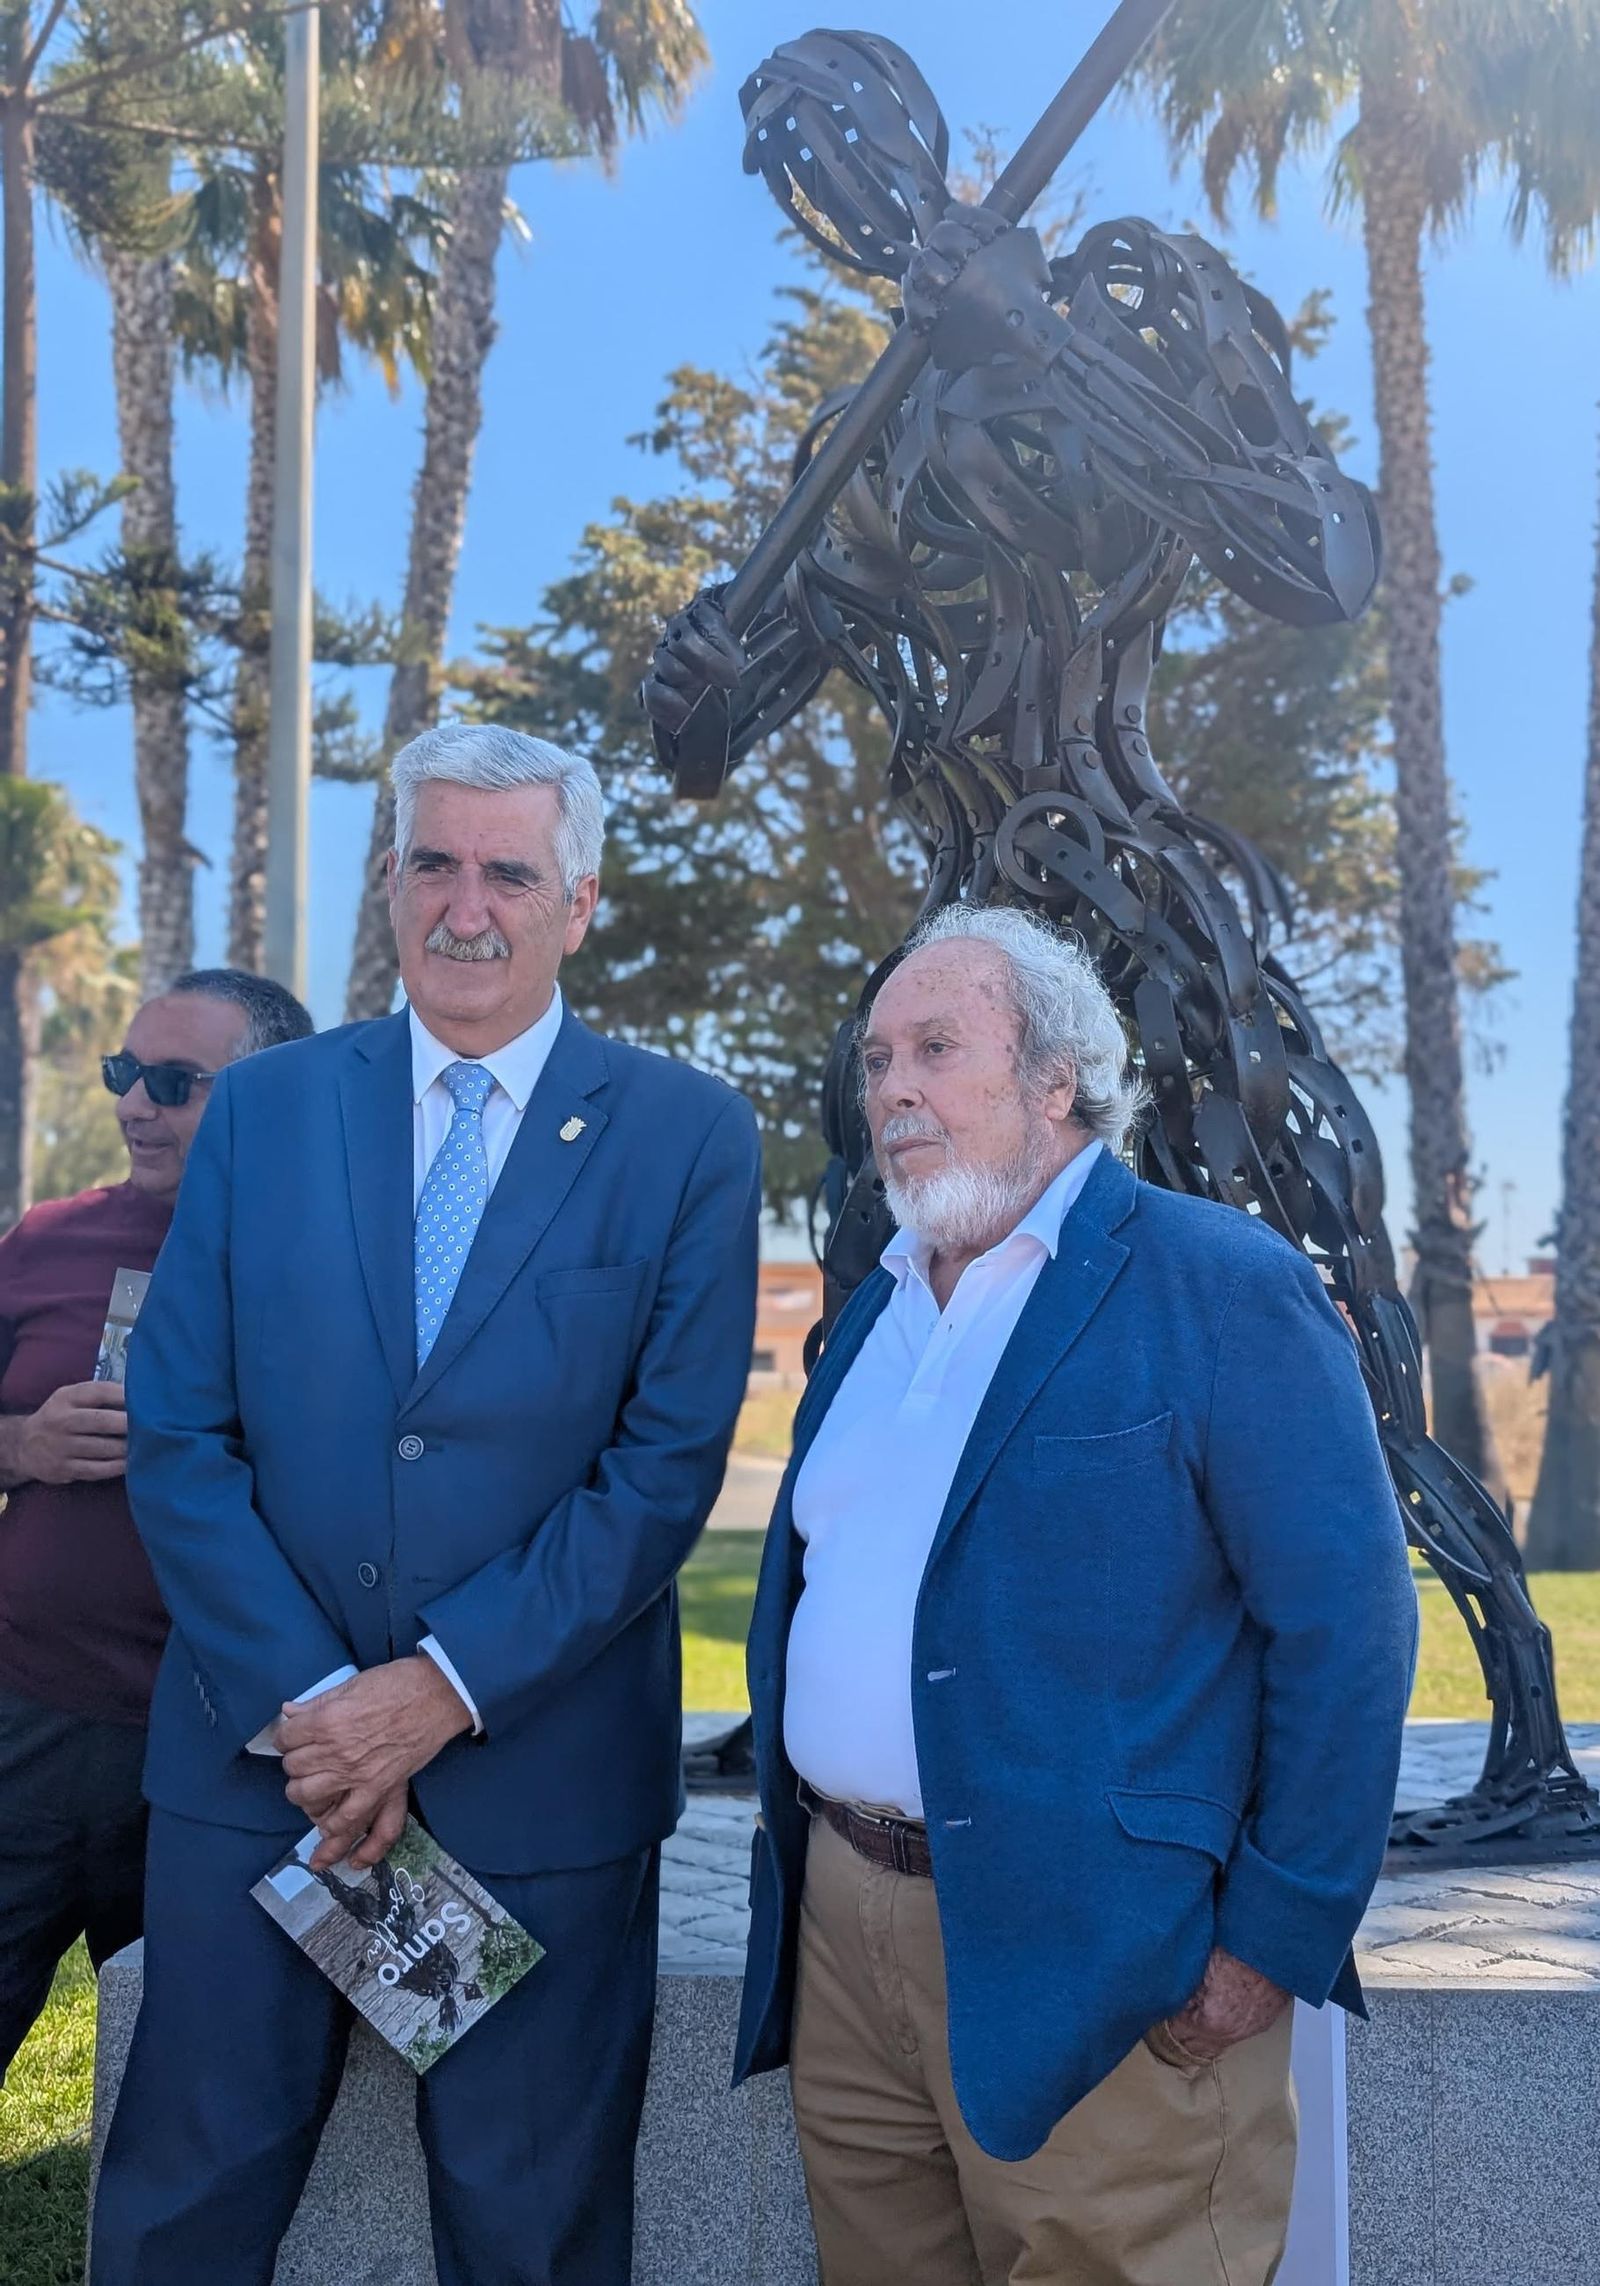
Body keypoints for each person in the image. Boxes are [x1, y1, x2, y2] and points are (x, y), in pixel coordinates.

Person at [93, 725, 762, 2286]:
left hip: (537, 1789)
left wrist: (435, 1691)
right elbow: (180, 1430)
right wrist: (322, 1705)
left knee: (533, 2229)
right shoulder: (263, 1112)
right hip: (263, 1773)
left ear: (579, 900)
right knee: (183, 2205)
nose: (468, 906)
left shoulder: (683, 1135)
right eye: (434, 862)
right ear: (391, 879)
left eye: (509, 871)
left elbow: (660, 1470)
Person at [736, 904, 1417, 2286]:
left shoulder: (1219, 1282)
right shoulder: (874, 1308)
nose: (894, 1089)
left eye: (937, 1047)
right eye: (876, 1060)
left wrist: (1271, 1940)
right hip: (847, 1930)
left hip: (1109, 1955)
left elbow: (1348, 1632)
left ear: (1056, 1076)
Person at [0, 969, 313, 2084]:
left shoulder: (336, 1264)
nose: (135, 1105)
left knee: (199, 2087)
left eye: (175, 1083)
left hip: (223, 1751)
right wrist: (19, 1444)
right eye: (125, 1075)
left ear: (271, 1095)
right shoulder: (45, 1238)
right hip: (27, 1720)